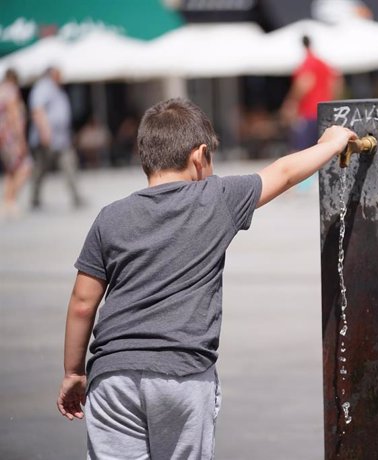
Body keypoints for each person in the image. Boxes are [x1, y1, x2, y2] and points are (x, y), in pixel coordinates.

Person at [56, 98, 356, 459]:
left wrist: (74, 372)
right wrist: (331, 144)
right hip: (183, 374)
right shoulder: (215, 198)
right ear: (200, 157)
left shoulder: (110, 217)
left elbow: (82, 303)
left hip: (112, 375)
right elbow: (283, 173)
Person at [28, 66, 84, 209]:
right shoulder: (43, 87)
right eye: (59, 73)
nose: (61, 76)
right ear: (52, 74)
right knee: (41, 169)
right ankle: (34, 198)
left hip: (61, 139)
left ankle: (76, 197)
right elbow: (37, 110)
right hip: (47, 138)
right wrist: (45, 132)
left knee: (69, 164)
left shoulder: (56, 89)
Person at [280, 35, 342, 153]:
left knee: (299, 151)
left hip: (308, 112)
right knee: (321, 150)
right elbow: (337, 83)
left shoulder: (308, 62)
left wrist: (292, 101)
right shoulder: (323, 63)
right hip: (324, 111)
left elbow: (304, 83)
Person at [0, 68, 32, 218]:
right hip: (11, 138)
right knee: (26, 167)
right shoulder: (11, 92)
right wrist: (21, 140)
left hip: (3, 138)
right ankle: (10, 200)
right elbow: (14, 116)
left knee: (11, 171)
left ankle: (7, 201)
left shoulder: (1, 90)